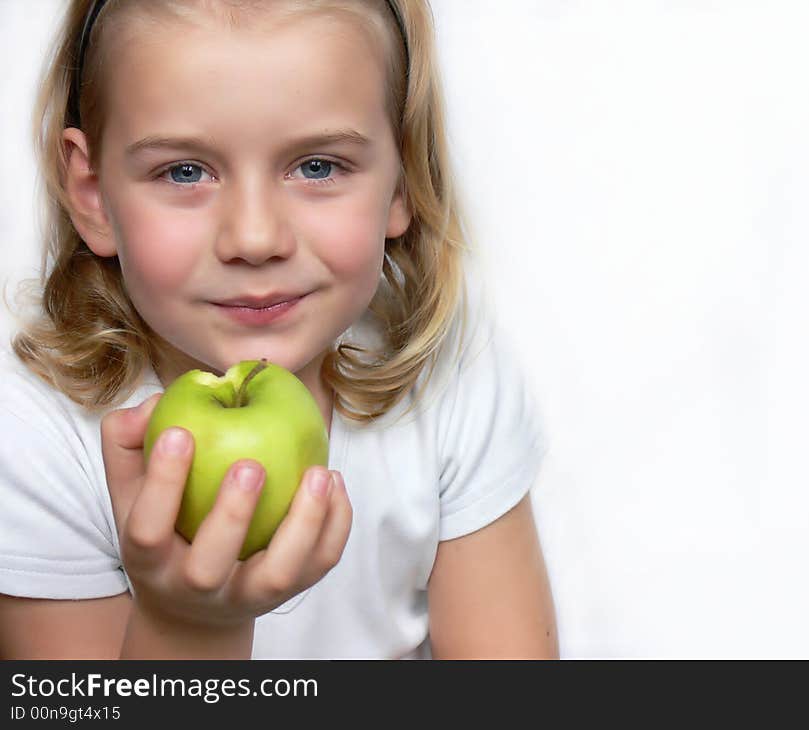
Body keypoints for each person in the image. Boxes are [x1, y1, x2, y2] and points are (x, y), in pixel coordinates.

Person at [0, 0, 557, 659]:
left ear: (403, 178)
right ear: (92, 193)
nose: (255, 239)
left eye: (318, 166)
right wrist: (189, 625)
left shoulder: (446, 369)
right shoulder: (33, 438)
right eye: (184, 172)